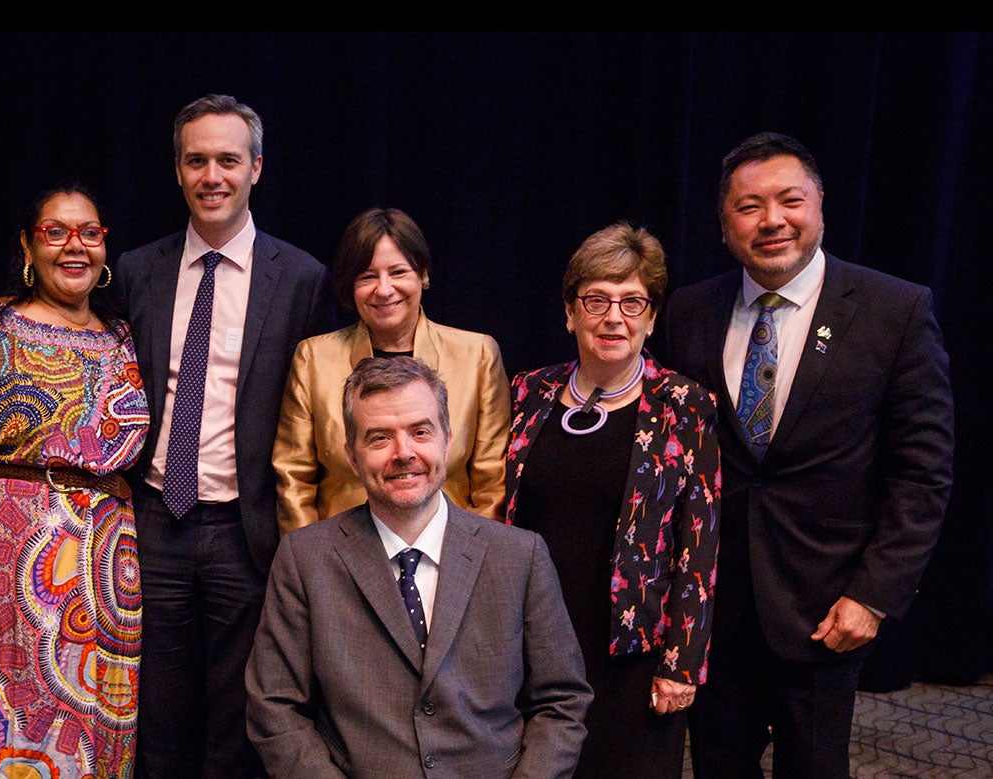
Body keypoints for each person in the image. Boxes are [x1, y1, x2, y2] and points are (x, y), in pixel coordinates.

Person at [660, 132, 955, 777]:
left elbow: (923, 472)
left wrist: (873, 597)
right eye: (749, 207)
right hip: (716, 607)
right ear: (723, 223)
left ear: (820, 205)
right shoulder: (689, 311)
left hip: (827, 609)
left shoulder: (895, 310)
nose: (772, 221)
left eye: (790, 200)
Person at [113, 93, 337, 778]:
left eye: (228, 160)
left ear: (257, 168)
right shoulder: (135, 269)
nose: (213, 175)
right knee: (156, 705)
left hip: (248, 527)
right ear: (179, 171)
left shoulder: (301, 277)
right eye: (197, 160)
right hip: (154, 518)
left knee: (237, 713)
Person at [246, 356, 592, 778]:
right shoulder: (305, 560)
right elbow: (274, 708)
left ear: (447, 440)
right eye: (378, 438)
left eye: (420, 432)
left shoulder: (520, 556)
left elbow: (562, 703)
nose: (403, 453)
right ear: (352, 458)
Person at [0, 185, 148, 778]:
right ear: (27, 244)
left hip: (108, 579)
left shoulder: (123, 338)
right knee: (11, 748)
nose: (75, 246)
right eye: (56, 232)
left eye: (89, 233)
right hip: (10, 573)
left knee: (99, 747)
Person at [503, 223, 720, 778]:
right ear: (571, 311)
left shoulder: (683, 404)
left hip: (633, 647)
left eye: (632, 302)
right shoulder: (529, 391)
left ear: (651, 316)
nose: (613, 316)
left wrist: (681, 662)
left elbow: (701, 542)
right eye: (596, 299)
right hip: (533, 639)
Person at [273, 207, 510, 534]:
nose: (383, 290)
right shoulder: (313, 358)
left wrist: (471, 567)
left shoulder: (477, 356)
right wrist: (312, 566)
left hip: (449, 556)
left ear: (423, 274)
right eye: (367, 277)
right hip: (340, 556)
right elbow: (293, 478)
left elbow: (492, 485)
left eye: (398, 272)